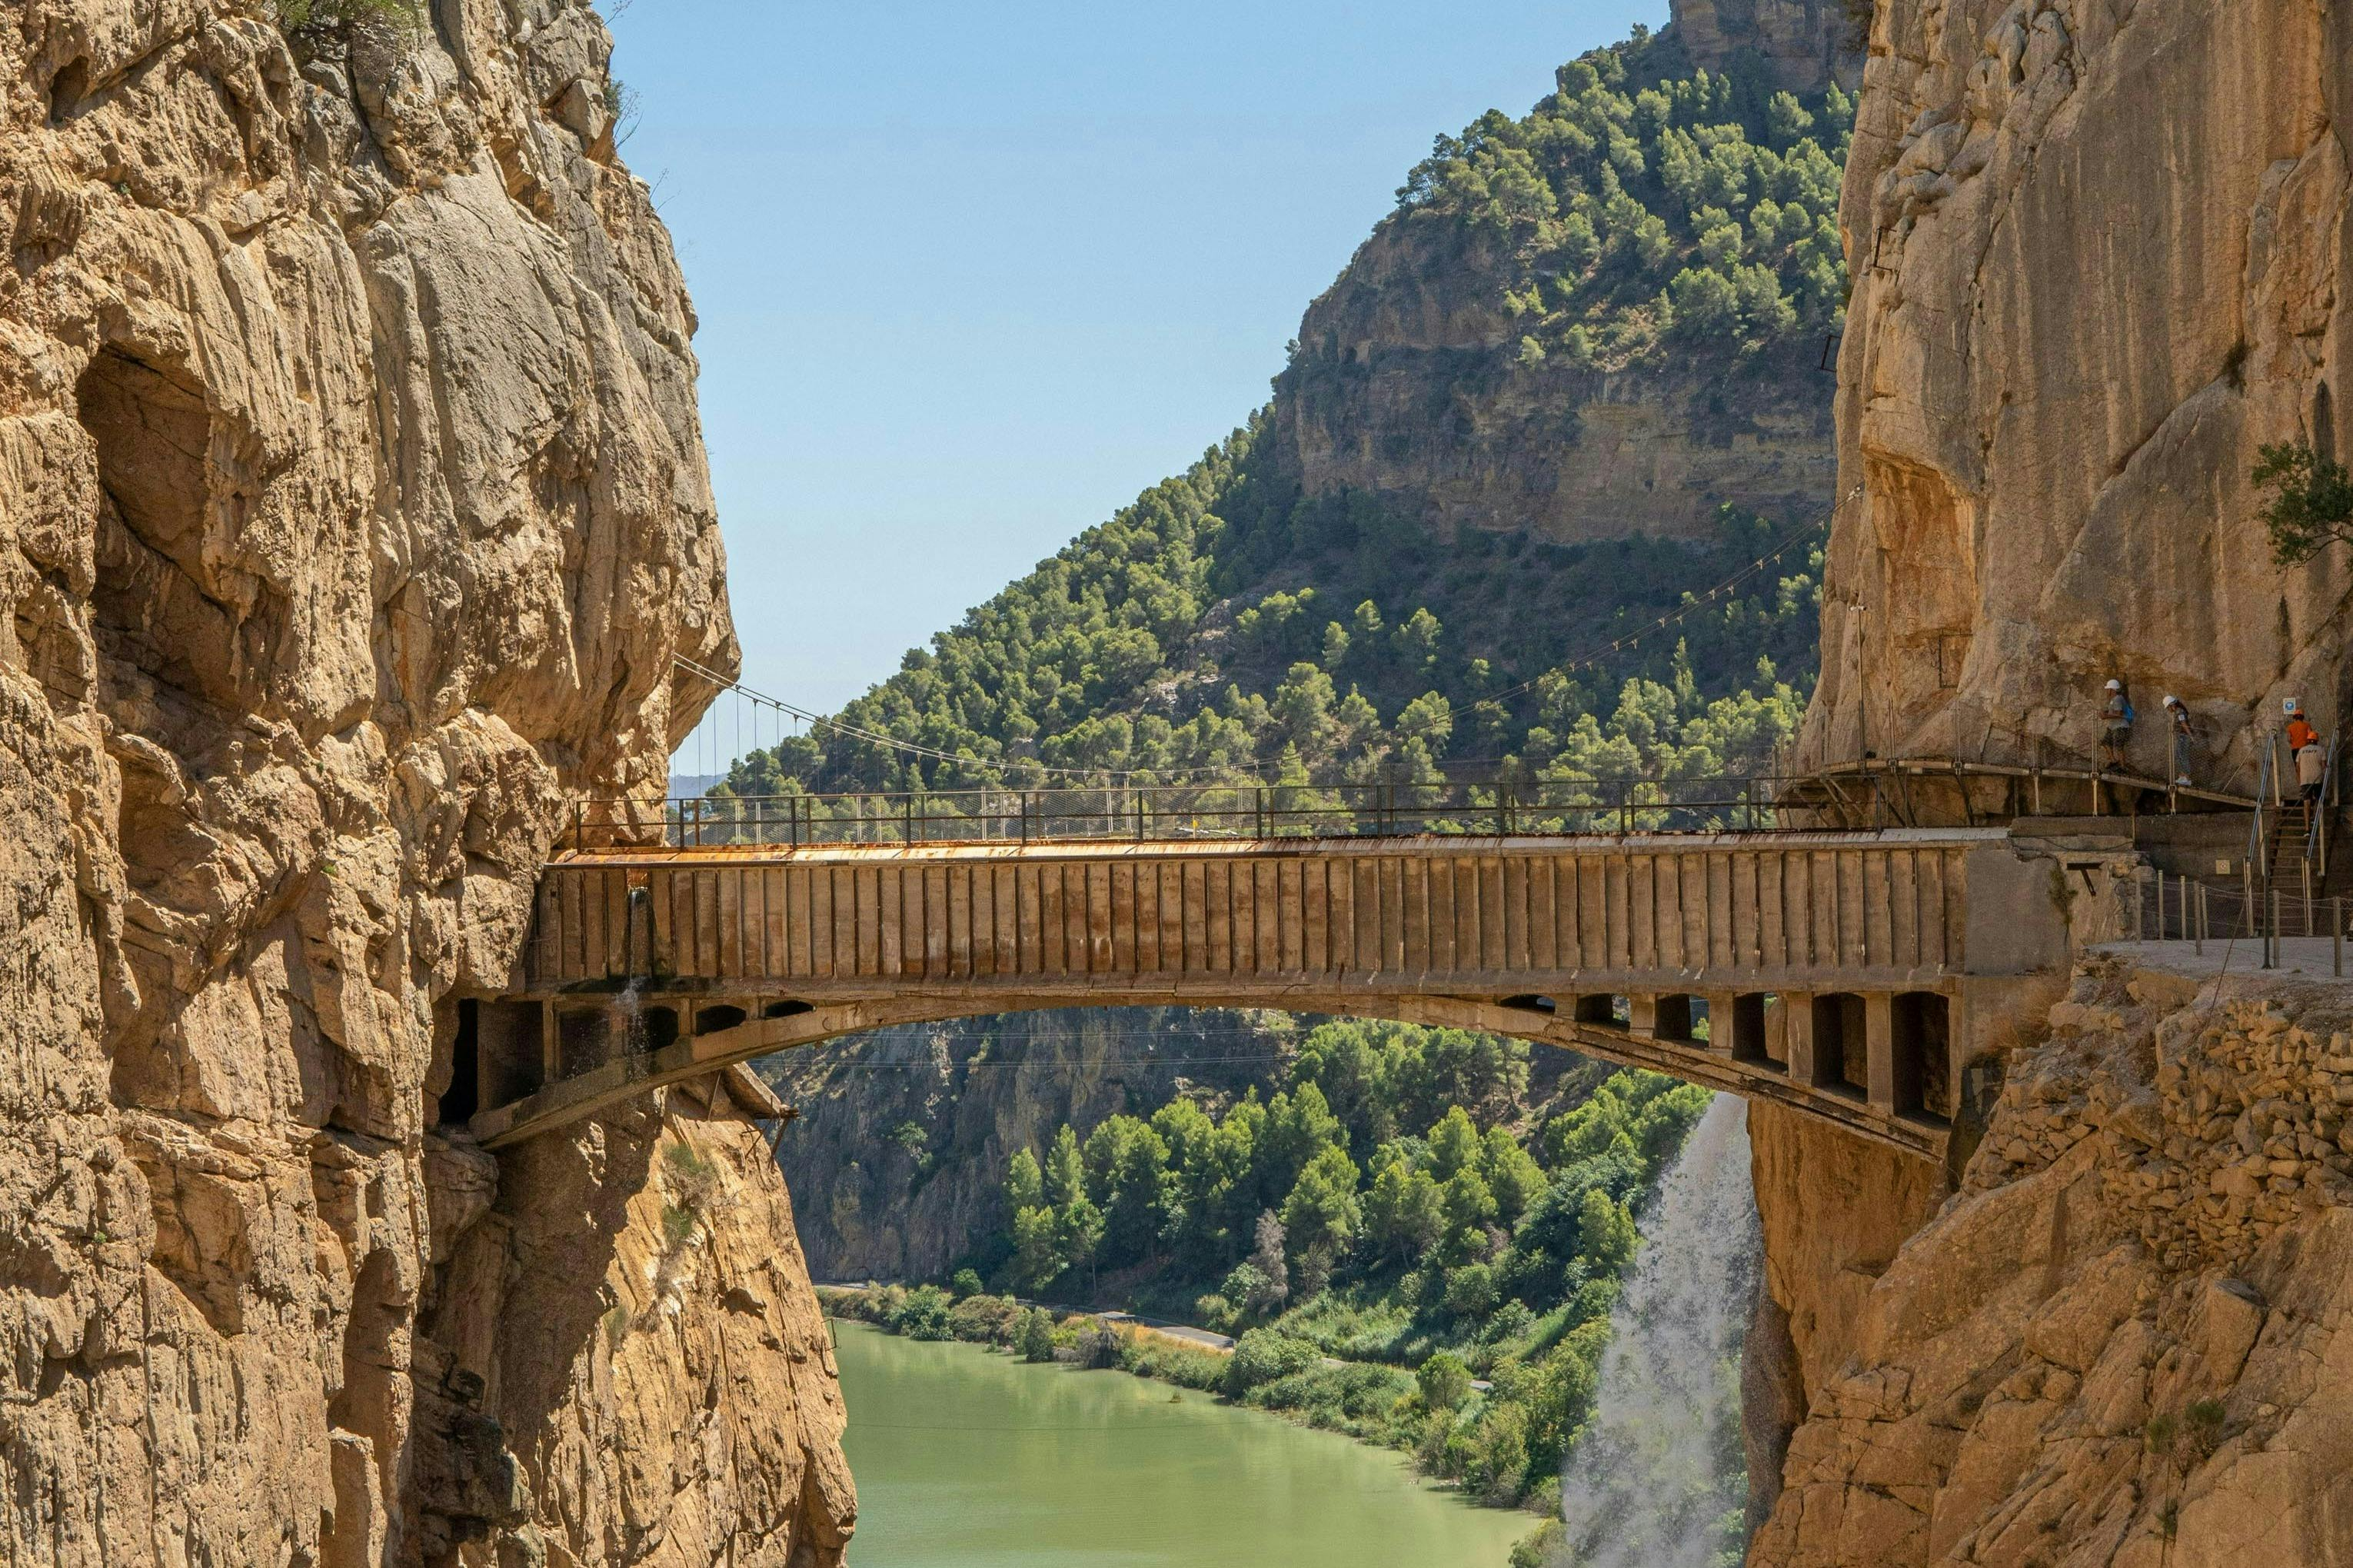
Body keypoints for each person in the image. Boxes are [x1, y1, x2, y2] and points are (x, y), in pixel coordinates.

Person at [2286, 698, 2325, 804]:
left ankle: (2302, 789)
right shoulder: (2307, 725)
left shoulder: (2290, 727)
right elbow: (2310, 735)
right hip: (2306, 749)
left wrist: (2294, 741)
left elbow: (2289, 738)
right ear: (2302, 717)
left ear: (2294, 717)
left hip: (2295, 750)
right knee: (2310, 768)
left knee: (2298, 769)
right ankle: (2313, 788)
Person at [2099, 678, 2134, 771]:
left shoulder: (2118, 699)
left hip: (2120, 727)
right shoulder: (2113, 700)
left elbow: (2119, 714)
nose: (2107, 691)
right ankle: (2113, 760)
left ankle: (2123, 767)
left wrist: (2106, 716)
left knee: (2119, 747)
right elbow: (2112, 710)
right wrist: (2105, 711)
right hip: (2113, 726)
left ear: (2111, 690)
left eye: (2108, 689)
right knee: (2105, 742)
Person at [2163, 695, 2195, 787]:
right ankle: (2182, 776)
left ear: (2171, 705)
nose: (2168, 710)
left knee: (2183, 756)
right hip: (2181, 736)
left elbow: (2184, 725)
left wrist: (2191, 736)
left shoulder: (2180, 712)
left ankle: (2187, 779)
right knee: (2178, 755)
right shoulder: (2177, 711)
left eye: (2167, 708)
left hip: (2185, 737)